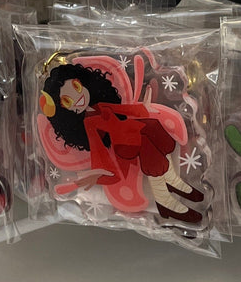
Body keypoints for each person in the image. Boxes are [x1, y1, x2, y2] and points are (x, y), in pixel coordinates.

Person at [39, 61, 203, 224]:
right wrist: (99, 171)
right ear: (64, 110)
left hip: (131, 130)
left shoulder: (100, 105)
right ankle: (164, 199)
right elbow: (97, 148)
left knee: (153, 126)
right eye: (68, 101)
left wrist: (143, 108)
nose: (78, 98)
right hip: (123, 148)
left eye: (76, 87)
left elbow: (124, 109)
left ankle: (173, 181)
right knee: (146, 142)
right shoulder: (89, 124)